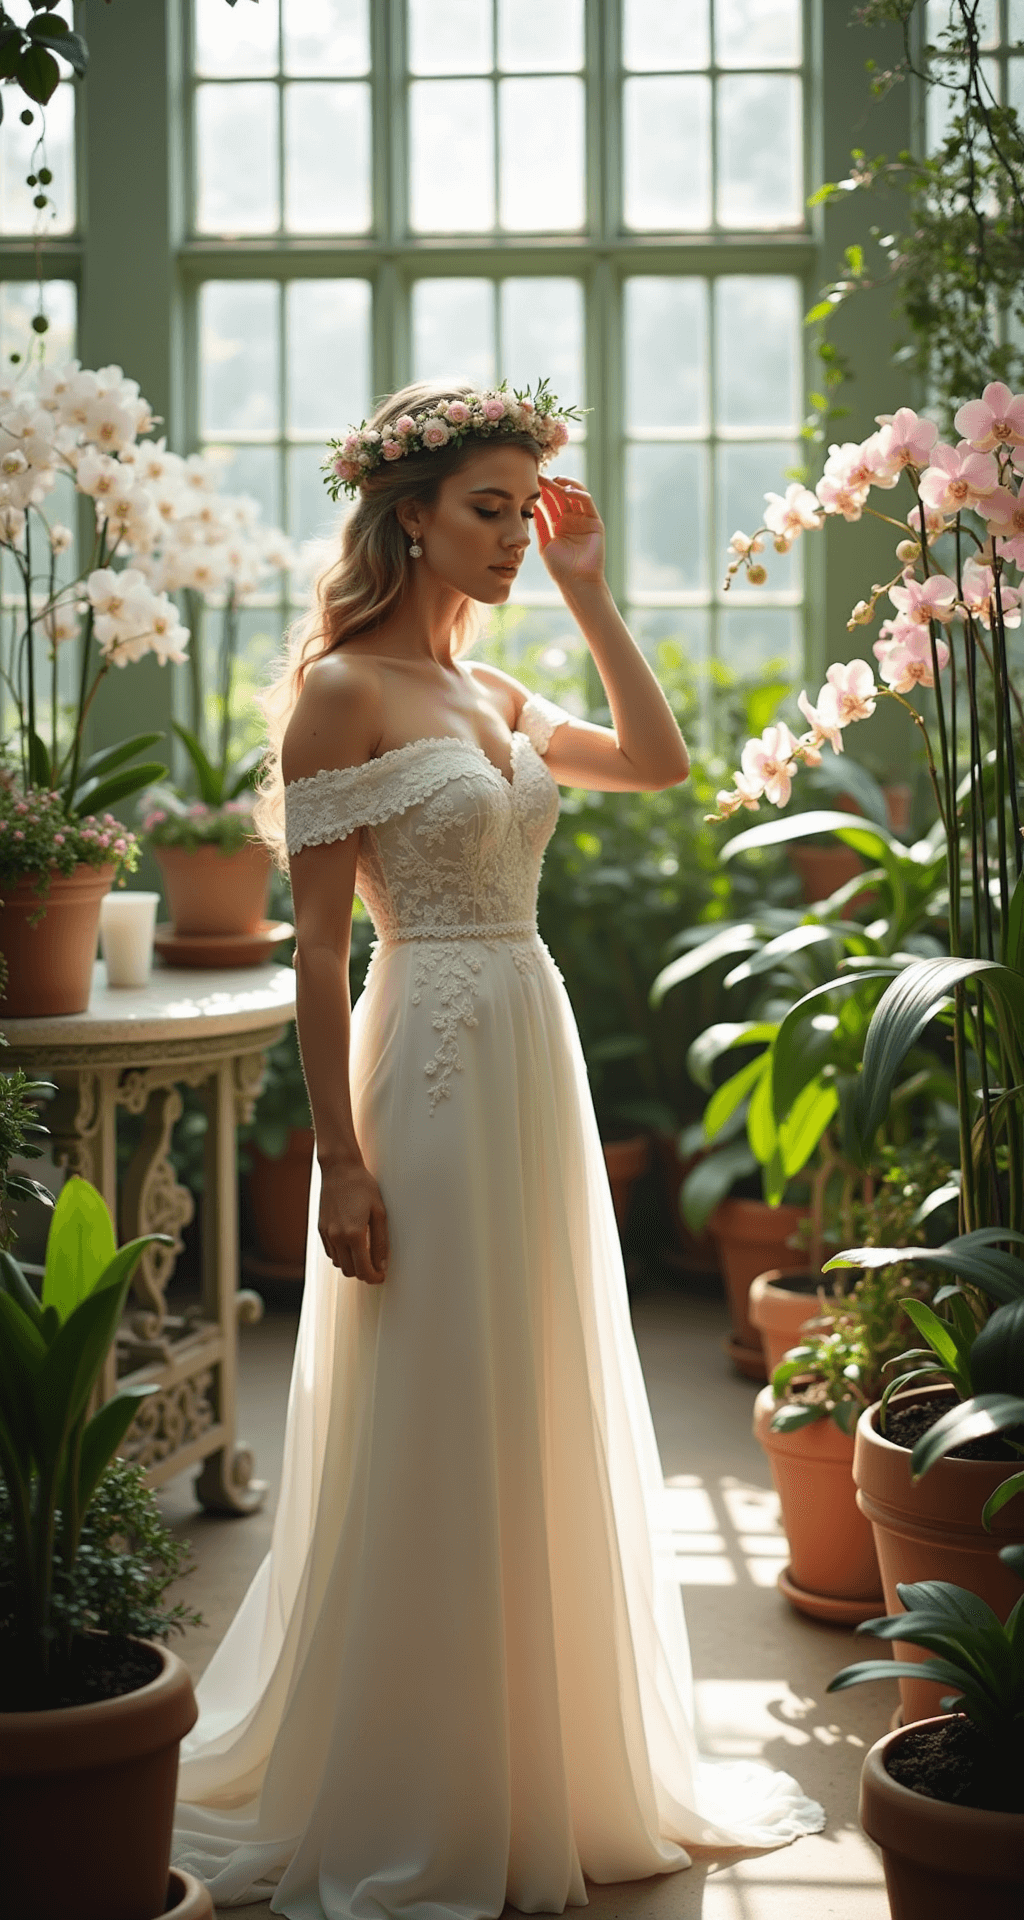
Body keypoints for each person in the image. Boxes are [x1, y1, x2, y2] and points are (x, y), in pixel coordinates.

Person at [172, 380, 823, 1918]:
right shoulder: (342, 692)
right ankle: (424, 1771)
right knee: (443, 1383)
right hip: (431, 1063)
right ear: (408, 514)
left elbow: (659, 761)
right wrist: (335, 1154)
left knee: (531, 1374)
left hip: (531, 1049)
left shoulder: (495, 693)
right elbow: (318, 948)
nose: (521, 535)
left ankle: (548, 1753)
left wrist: (595, 596)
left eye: (534, 507)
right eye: (491, 507)